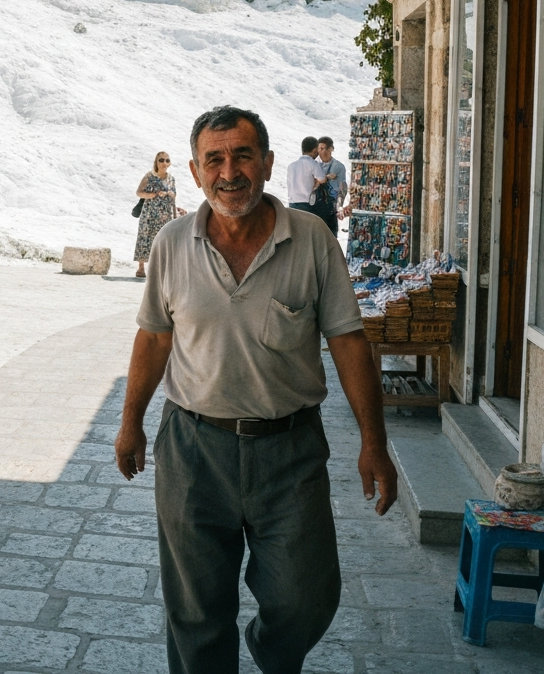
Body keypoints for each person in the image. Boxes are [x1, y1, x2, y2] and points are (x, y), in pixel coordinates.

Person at [113, 106, 396, 674]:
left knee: (305, 598)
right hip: (193, 448)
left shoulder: (312, 238)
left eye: (243, 155)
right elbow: (153, 339)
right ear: (194, 172)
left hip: (289, 451)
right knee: (195, 609)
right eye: (213, 159)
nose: (229, 171)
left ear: (267, 163)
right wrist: (130, 422)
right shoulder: (172, 242)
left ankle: (270, 652)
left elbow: (348, 341)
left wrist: (374, 442)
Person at [134, 151, 187, 278]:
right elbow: (139, 192)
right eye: (161, 160)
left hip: (165, 213)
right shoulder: (149, 176)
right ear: (156, 162)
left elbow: (174, 196)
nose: (164, 163)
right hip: (149, 213)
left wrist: (170, 196)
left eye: (167, 160)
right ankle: (141, 268)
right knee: (145, 238)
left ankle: (160, 269)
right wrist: (152, 195)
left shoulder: (171, 179)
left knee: (163, 240)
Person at [285, 136, 329, 214]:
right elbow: (322, 179)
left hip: (292, 204)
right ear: (315, 149)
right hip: (306, 204)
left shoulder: (291, 166)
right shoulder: (312, 163)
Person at [314, 136, 348, 237]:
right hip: (315, 207)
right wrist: (326, 177)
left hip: (331, 208)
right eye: (320, 149)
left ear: (331, 149)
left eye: (325, 148)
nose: (323, 152)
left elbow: (343, 188)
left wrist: (339, 206)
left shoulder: (338, 166)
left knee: (331, 238)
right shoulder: (313, 165)